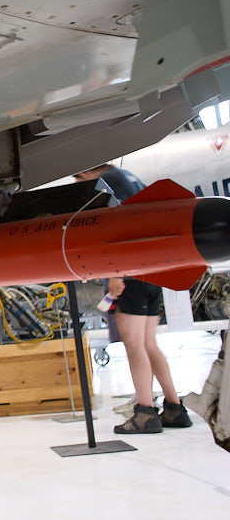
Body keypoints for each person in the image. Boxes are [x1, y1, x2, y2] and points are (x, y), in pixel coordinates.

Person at [73, 164, 193, 433]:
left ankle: (145, 412)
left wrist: (116, 274)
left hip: (131, 273)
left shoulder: (106, 182)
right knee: (149, 343)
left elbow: (115, 227)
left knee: (134, 344)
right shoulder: (127, 178)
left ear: (85, 172)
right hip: (151, 271)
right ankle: (174, 408)